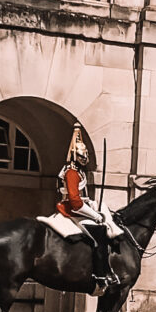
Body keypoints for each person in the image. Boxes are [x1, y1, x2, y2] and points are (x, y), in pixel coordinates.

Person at [57, 123, 120, 290]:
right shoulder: (71, 172)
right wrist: (95, 215)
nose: (85, 158)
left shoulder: (78, 171)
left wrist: (93, 206)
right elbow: (76, 202)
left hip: (79, 208)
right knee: (100, 234)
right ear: (75, 155)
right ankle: (101, 273)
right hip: (71, 210)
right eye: (82, 155)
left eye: (85, 155)